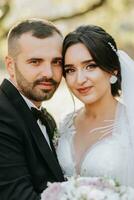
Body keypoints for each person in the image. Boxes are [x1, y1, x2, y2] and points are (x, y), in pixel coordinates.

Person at [57, 25, 134, 187]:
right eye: (70, 70)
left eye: (90, 66)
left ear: (113, 71)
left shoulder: (130, 123)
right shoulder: (65, 124)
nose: (79, 79)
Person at [0, 19, 65, 200]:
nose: (49, 73)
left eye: (56, 62)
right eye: (35, 62)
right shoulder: (2, 115)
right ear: (11, 65)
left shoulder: (47, 118)